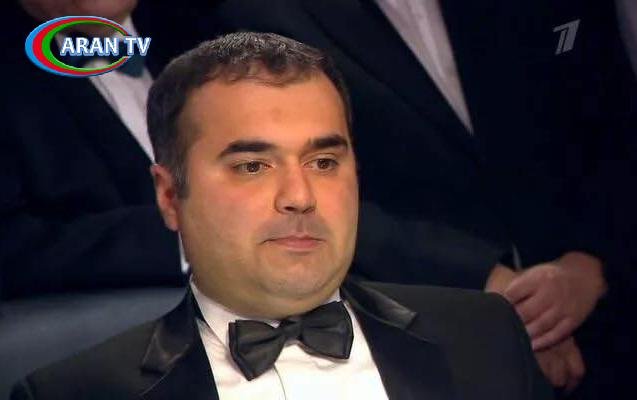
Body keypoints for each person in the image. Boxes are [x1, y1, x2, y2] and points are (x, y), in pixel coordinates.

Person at [10, 32, 552, 400]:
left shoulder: (486, 335)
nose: (299, 196)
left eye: (323, 162)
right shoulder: (74, 392)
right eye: (253, 166)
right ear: (170, 197)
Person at [202, 1, 636, 396]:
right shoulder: (258, 16)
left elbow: (608, 126)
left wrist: (588, 263)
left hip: (611, 314)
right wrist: (490, 287)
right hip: (421, 338)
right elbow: (286, 191)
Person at [0, 0, 506, 301]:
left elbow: (323, 190)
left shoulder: (206, 28)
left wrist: (476, 277)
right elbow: (14, 248)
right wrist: (194, 229)